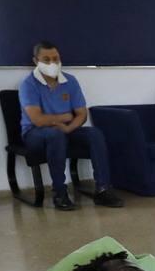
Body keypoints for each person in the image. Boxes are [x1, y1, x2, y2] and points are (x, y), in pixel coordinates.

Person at [19, 41, 124, 211]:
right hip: (35, 133)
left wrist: (68, 127)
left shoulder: (70, 81)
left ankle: (103, 189)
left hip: (67, 129)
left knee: (94, 134)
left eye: (55, 58)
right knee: (55, 135)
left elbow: (81, 114)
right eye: (46, 60)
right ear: (35, 61)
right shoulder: (28, 84)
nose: (52, 63)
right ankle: (60, 193)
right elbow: (37, 119)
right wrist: (64, 117)